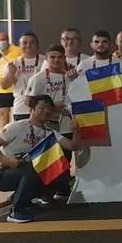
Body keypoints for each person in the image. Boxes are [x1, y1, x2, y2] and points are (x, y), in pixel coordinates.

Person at [0, 95, 81, 223]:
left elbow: (72, 146)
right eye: (42, 107)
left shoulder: (50, 133)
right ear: (31, 109)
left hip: (26, 171)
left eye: (49, 108)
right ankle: (17, 211)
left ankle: (24, 198)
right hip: (1, 174)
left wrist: (76, 130)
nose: (46, 111)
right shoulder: (16, 127)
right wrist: (7, 161)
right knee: (33, 169)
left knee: (61, 174)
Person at [25, 44, 78, 201]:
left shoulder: (70, 76)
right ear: (47, 59)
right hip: (46, 124)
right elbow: (29, 101)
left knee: (65, 157)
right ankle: (45, 192)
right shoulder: (38, 78)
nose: (56, 60)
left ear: (64, 58)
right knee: (47, 159)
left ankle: (62, 189)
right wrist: (49, 109)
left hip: (65, 122)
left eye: (60, 57)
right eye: (52, 57)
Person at [0, 33, 45, 122]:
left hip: (42, 107)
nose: (28, 45)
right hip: (21, 108)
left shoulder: (45, 61)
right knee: (23, 135)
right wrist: (11, 73)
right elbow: (4, 86)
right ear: (20, 46)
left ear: (37, 45)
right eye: (24, 43)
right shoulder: (13, 63)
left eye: (32, 42)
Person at [0, 31, 24, 129]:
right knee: (3, 113)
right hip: (3, 89)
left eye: (3, 39)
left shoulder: (18, 51)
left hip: (18, 87)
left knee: (20, 112)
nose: (1, 42)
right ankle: (2, 137)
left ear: (8, 39)